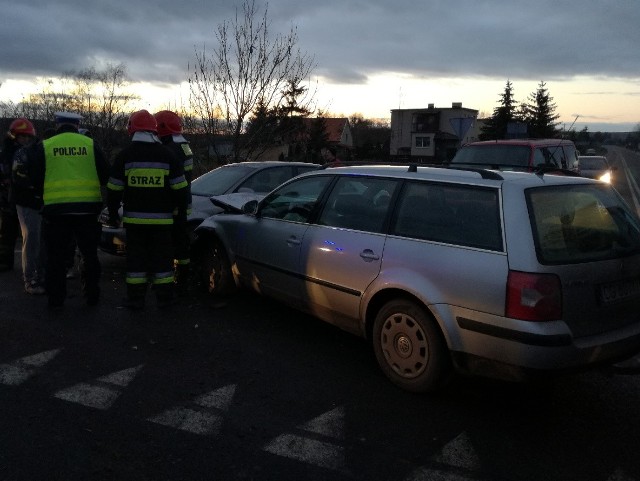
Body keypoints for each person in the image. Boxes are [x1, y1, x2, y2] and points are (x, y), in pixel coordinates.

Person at [25, 112, 110, 309]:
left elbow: (34, 177)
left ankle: (55, 300)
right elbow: (106, 175)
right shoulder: (90, 144)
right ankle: (92, 296)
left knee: (55, 257)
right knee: (89, 254)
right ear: (77, 124)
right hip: (87, 210)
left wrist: (46, 194)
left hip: (56, 210)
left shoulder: (45, 146)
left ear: (57, 125)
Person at [107, 110, 188, 310]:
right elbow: (181, 190)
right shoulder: (167, 155)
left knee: (136, 262)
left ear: (132, 129)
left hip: (135, 223)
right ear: (154, 130)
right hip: (163, 223)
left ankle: (136, 299)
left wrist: (112, 213)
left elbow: (114, 189)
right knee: (162, 261)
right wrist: (180, 213)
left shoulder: (125, 156)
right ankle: (165, 299)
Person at [154, 110, 193, 296]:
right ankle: (183, 280)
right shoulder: (184, 145)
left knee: (168, 246)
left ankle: (170, 283)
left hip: (172, 205)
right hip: (183, 203)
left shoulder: (170, 149)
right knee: (181, 244)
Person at [12, 126, 51, 294]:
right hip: (28, 202)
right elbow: (18, 175)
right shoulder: (26, 153)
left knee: (41, 240)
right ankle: (30, 278)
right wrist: (35, 192)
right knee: (32, 238)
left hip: (41, 201)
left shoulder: (38, 153)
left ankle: (39, 275)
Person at [0, 118, 36, 272]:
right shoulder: (4, 154)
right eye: (23, 137)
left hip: (25, 199)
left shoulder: (32, 153)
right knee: (7, 234)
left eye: (28, 137)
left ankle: (29, 266)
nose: (26, 140)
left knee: (29, 234)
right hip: (7, 199)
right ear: (14, 136)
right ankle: (4, 263)